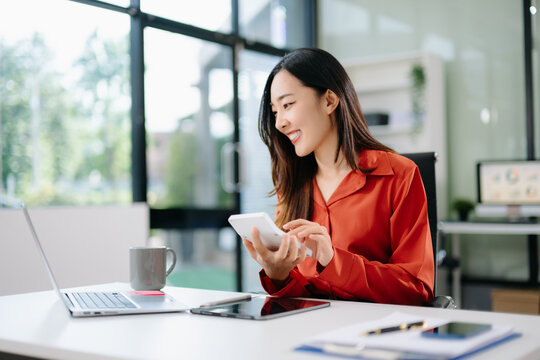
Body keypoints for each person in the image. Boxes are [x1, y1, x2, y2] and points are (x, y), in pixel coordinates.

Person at [242, 48, 434, 306]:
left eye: (287, 105)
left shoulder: (400, 175)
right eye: (275, 112)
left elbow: (417, 289)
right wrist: (278, 275)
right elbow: (301, 294)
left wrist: (334, 261)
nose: (279, 123)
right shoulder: (291, 187)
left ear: (330, 101)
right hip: (308, 333)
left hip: (378, 334)